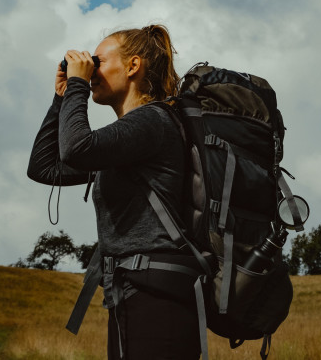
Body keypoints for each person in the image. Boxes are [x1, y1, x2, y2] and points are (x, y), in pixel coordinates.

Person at [27, 25, 200, 360]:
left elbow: (76, 149)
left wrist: (77, 85)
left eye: (98, 62)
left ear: (133, 66)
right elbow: (44, 167)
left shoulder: (153, 121)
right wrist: (62, 98)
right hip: (134, 289)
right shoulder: (124, 141)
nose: (90, 70)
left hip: (156, 294)